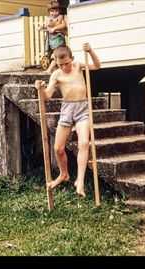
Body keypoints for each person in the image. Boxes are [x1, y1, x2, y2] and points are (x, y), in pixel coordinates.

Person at [34, 43, 101, 197]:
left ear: (72, 59)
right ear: (56, 63)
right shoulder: (56, 75)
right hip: (67, 110)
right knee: (58, 148)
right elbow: (47, 96)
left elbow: (97, 66)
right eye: (61, 64)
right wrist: (41, 89)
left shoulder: (78, 66)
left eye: (67, 63)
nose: (65, 67)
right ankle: (64, 175)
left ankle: (80, 182)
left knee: (84, 143)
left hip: (82, 109)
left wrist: (90, 51)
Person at [38, 0, 67, 75]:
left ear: (59, 11)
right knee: (48, 53)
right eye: (52, 11)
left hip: (58, 39)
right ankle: (49, 65)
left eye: (56, 11)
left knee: (56, 54)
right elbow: (46, 25)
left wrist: (55, 28)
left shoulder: (60, 18)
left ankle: (49, 70)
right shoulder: (48, 18)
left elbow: (63, 25)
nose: (54, 13)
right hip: (50, 39)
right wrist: (41, 27)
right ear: (49, 11)